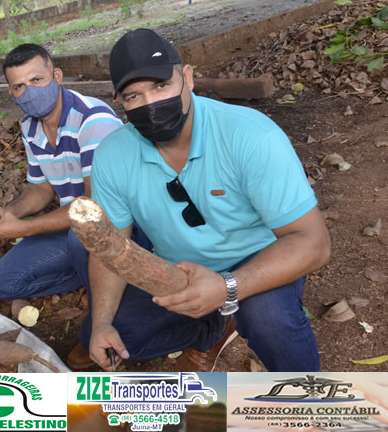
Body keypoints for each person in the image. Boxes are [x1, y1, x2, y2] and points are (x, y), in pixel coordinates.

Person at [79, 29, 330, 372]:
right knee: (104, 337)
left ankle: (308, 396)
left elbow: (314, 243)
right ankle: (215, 325)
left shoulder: (251, 136)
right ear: (121, 103)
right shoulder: (113, 154)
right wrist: (102, 322)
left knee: (267, 316)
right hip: (177, 269)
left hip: (257, 258)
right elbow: (111, 247)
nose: (150, 103)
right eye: (134, 96)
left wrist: (228, 287)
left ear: (187, 77)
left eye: (161, 86)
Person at [0, 43, 151, 301]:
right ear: (11, 93)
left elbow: (95, 206)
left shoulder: (92, 120)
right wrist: (9, 214)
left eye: (37, 80)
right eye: (19, 86)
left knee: (79, 237)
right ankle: (98, 273)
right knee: (1, 283)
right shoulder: (29, 127)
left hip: (123, 224)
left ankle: (115, 283)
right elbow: (41, 188)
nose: (30, 92)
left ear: (57, 76)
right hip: (73, 224)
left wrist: (24, 229)